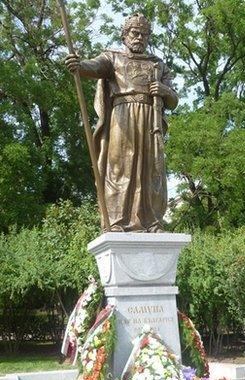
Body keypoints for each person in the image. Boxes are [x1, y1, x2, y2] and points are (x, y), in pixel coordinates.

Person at [65, 13, 178, 232]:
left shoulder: (158, 65)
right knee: (119, 167)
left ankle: (152, 221)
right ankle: (117, 222)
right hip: (122, 117)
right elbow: (94, 67)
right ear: (125, 35)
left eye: (144, 34)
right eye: (135, 33)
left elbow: (173, 101)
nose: (139, 38)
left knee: (151, 169)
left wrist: (164, 91)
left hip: (150, 120)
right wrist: (78, 64)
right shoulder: (113, 57)